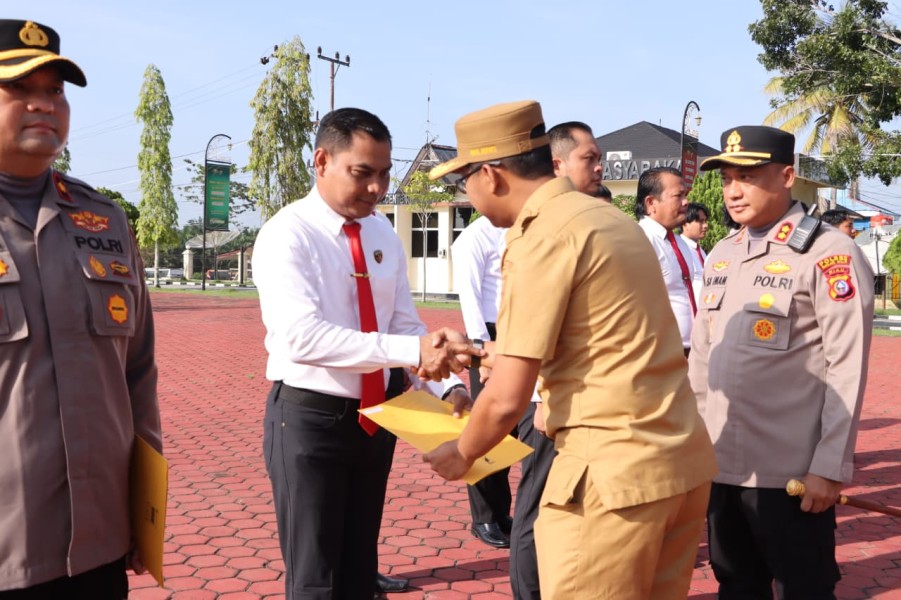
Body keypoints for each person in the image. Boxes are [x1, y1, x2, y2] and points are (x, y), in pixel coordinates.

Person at [423, 100, 717, 599]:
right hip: (678, 462)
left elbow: (508, 397)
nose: (465, 194)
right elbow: (591, 345)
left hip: (611, 479)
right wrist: (473, 350)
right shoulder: (608, 220)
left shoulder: (542, 236)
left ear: (491, 175)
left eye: (462, 181)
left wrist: (462, 453)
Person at [252, 107, 477, 600]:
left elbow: (403, 324)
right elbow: (302, 338)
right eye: (362, 173)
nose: (376, 188)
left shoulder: (380, 234)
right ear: (322, 161)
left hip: (380, 420)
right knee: (316, 578)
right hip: (312, 421)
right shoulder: (287, 235)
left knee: (359, 570)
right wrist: (412, 348)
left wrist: (448, 385)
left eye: (383, 174)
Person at [0, 19, 160, 599]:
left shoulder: (106, 222)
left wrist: (144, 513)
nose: (44, 104)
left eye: (56, 91)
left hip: (98, 544)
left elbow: (138, 374)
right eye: (21, 87)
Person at [690, 125, 874, 598]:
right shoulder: (722, 254)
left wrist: (829, 467)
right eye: (728, 177)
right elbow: (702, 361)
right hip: (720, 465)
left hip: (788, 473)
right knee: (735, 584)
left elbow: (846, 367)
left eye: (748, 176)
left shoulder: (829, 253)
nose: (733, 191)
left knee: (804, 588)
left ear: (787, 175)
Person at [504, 119, 608, 600]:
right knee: (539, 505)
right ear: (556, 164)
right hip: (544, 397)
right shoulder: (538, 232)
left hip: (586, 404)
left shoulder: (596, 223)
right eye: (589, 158)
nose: (600, 166)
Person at [451, 216, 514, 548]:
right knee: (488, 429)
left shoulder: (520, 230)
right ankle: (485, 517)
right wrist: (480, 351)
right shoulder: (475, 237)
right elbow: (470, 296)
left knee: (511, 431)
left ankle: (501, 512)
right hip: (488, 338)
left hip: (517, 332)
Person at [635, 167, 699, 354]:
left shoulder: (680, 243)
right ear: (651, 203)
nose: (686, 202)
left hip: (689, 351)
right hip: (659, 353)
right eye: (678, 196)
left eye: (686, 195)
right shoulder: (640, 240)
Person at [681, 202, 710, 306]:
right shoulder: (680, 250)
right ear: (685, 223)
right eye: (700, 222)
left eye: (705, 221)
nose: (705, 226)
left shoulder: (700, 251)